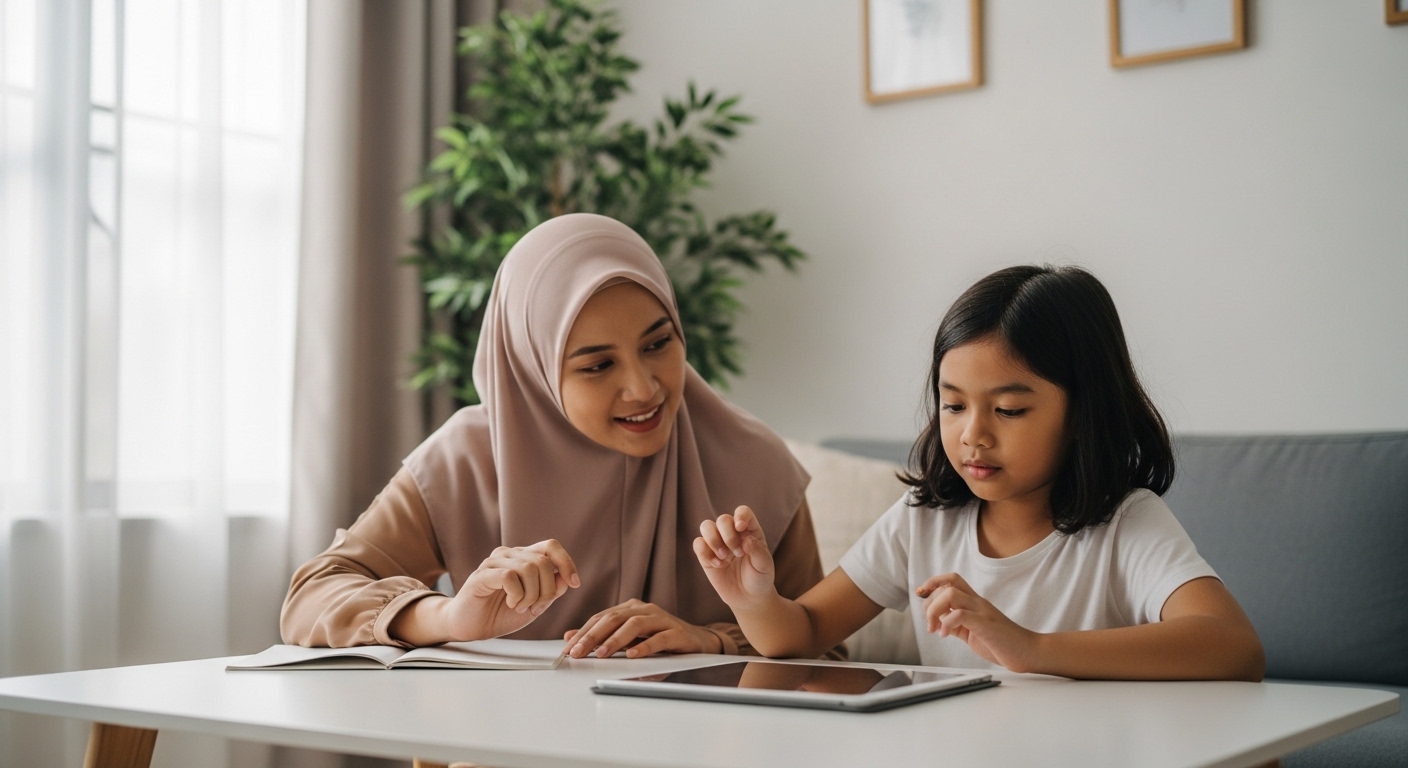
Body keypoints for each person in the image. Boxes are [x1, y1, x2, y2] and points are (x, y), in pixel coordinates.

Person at [281, 213, 834, 660]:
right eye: (597, 367)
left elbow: (831, 651)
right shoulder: (468, 460)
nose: (643, 389)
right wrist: (451, 616)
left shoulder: (754, 463)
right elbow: (311, 597)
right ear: (535, 369)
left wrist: (709, 638)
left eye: (658, 343)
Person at [694, 265, 1266, 680]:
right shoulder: (924, 521)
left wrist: (1030, 648)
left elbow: (1233, 646)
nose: (973, 434)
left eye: (1010, 410)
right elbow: (801, 634)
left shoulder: (1125, 524)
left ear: (1083, 411)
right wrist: (754, 600)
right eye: (954, 405)